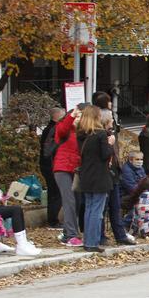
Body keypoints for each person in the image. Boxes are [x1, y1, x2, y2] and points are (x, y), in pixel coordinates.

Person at [76, 105, 115, 253]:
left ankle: (88, 240)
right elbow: (105, 155)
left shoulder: (81, 134)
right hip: (99, 175)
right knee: (97, 211)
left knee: (89, 209)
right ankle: (93, 242)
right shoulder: (100, 134)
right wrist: (110, 144)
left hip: (86, 174)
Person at [53, 103, 86, 247]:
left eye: (81, 117)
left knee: (77, 202)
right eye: (77, 116)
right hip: (62, 169)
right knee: (69, 201)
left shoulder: (82, 133)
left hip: (76, 170)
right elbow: (61, 130)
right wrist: (72, 116)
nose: (79, 119)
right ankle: (71, 235)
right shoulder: (66, 130)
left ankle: (67, 232)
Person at [39, 106, 66, 228]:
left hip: (48, 164)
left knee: (53, 192)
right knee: (56, 192)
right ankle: (53, 220)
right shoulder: (54, 129)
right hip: (51, 165)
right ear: (57, 116)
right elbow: (50, 150)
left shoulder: (48, 129)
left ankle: (52, 218)